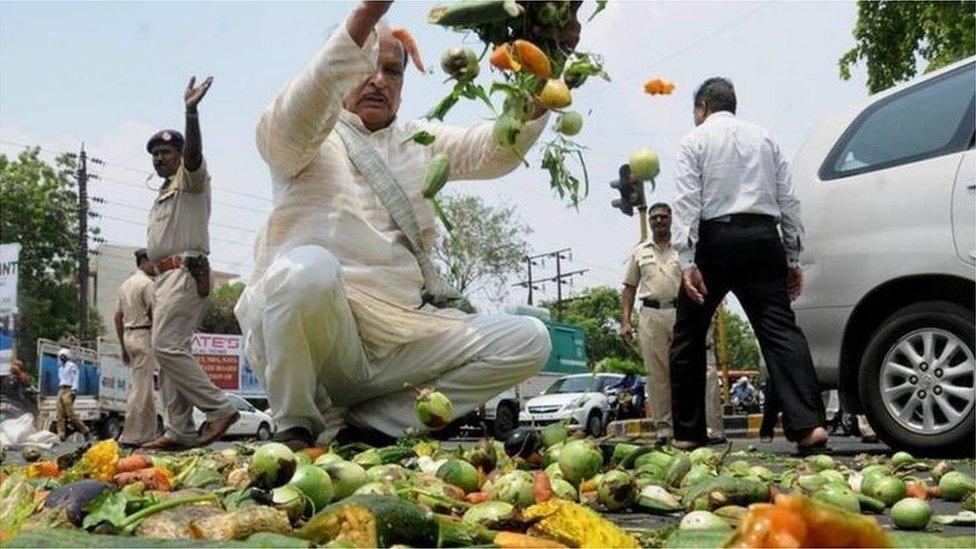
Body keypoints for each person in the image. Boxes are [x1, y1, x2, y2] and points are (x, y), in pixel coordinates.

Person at [235, 1, 564, 450]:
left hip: (402, 340)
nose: (377, 80)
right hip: (324, 342)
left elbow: (496, 150)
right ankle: (295, 425)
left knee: (529, 339)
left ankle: (376, 424)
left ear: (404, 85)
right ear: (340, 65)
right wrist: (367, 16)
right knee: (306, 270)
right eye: (366, 66)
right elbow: (295, 116)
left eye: (392, 71)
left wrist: (546, 62)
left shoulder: (420, 141)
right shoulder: (308, 135)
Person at [669, 77, 828, 453]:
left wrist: (686, 259)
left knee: (688, 337)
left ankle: (688, 433)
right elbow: (788, 199)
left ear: (702, 108)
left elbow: (688, 201)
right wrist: (792, 255)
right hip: (762, 237)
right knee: (780, 330)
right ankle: (809, 427)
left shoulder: (694, 141)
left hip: (714, 240)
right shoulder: (765, 139)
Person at [141, 77, 238, 450]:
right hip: (165, 279)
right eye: (155, 154)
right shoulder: (164, 192)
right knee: (167, 355)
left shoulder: (191, 180)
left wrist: (191, 111)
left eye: (166, 152)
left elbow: (195, 157)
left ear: (180, 156)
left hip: (186, 272)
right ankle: (179, 429)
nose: (159, 158)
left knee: (166, 347)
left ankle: (219, 409)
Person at [620, 203, 724, 443]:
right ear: (650, 222)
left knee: (703, 369)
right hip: (651, 315)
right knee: (657, 374)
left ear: (671, 220)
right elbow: (629, 289)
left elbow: (703, 281)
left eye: (663, 217)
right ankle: (665, 429)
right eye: (654, 218)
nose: (658, 222)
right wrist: (625, 321)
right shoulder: (640, 251)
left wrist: (710, 312)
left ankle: (712, 428)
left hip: (686, 313)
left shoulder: (685, 247)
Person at [114, 248, 158, 446]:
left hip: (129, 335)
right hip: (143, 334)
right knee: (140, 388)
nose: (155, 266)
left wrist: (123, 346)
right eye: (153, 261)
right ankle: (130, 435)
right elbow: (154, 313)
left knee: (145, 386)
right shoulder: (147, 284)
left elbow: (117, 316)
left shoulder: (125, 285)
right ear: (144, 261)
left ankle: (148, 434)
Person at [56, 348, 91, 441]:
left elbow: (75, 378)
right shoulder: (60, 368)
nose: (62, 357)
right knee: (60, 414)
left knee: (70, 414)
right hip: (61, 389)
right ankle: (61, 434)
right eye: (60, 356)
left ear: (67, 356)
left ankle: (85, 430)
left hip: (69, 389)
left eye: (63, 355)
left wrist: (74, 390)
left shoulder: (72, 366)